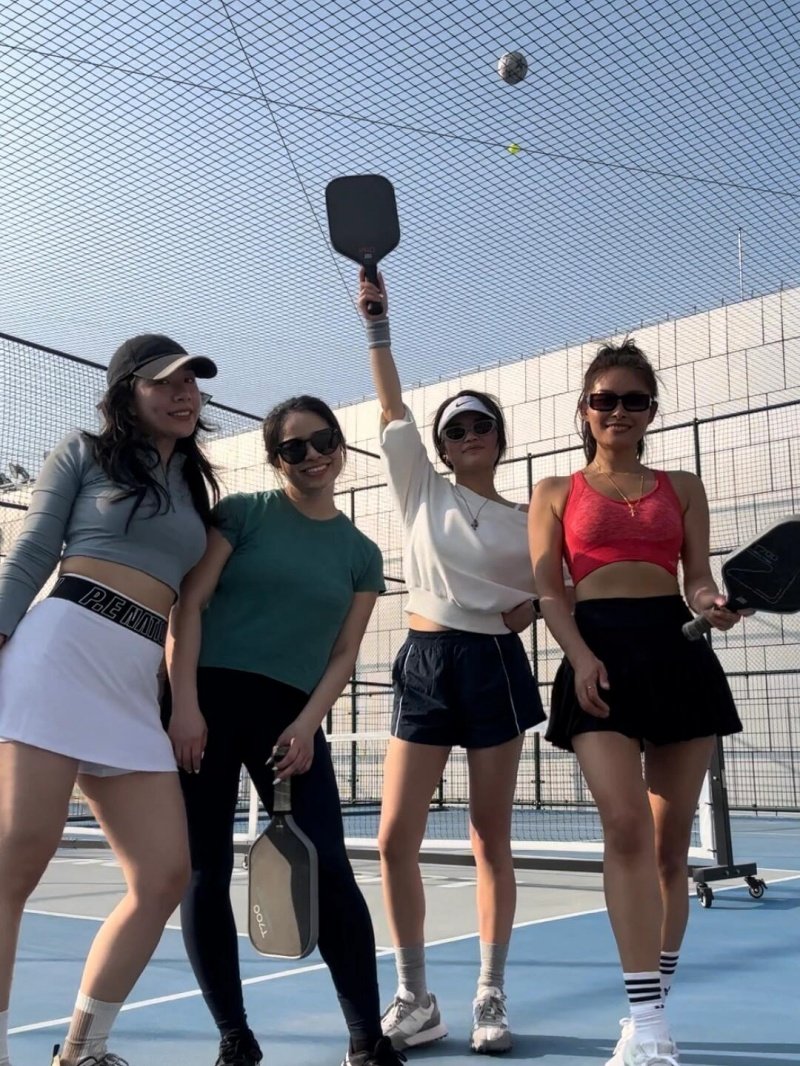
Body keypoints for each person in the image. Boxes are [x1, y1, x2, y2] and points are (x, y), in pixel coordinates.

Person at [0, 334, 220, 1066]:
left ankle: (82, 1050)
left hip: (132, 683)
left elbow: (188, 610)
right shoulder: (84, 452)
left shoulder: (196, 486)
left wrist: (182, 701)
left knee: (162, 875)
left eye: (192, 382)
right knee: (15, 862)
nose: (183, 392)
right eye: (165, 382)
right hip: (60, 651)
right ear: (128, 390)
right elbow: (33, 550)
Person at [165, 394, 404, 1066]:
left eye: (322, 439)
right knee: (204, 872)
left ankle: (366, 1035)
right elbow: (192, 602)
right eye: (294, 447)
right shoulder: (244, 514)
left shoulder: (361, 553)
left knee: (328, 868)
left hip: (290, 722)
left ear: (340, 442)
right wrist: (183, 703)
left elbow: (344, 655)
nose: (313, 456)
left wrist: (307, 724)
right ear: (277, 459)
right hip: (205, 706)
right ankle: (235, 1039)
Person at [528, 338, 745, 1066]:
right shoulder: (554, 492)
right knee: (624, 826)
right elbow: (550, 591)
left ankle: (649, 1013)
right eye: (604, 399)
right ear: (584, 409)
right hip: (597, 656)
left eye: (633, 399)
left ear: (652, 410)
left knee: (669, 847)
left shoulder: (683, 485)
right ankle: (647, 1022)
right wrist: (580, 655)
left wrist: (713, 603)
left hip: (677, 651)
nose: (617, 411)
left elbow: (697, 578)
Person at [358, 272, 545, 1055]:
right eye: (456, 430)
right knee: (394, 838)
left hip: (496, 663)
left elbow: (560, 588)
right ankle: (414, 997)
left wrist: (530, 609)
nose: (468, 436)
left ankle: (490, 995)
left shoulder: (534, 517)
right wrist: (378, 325)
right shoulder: (420, 491)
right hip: (427, 659)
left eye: (480, 426)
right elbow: (394, 406)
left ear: (499, 438)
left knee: (487, 839)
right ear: (440, 447)